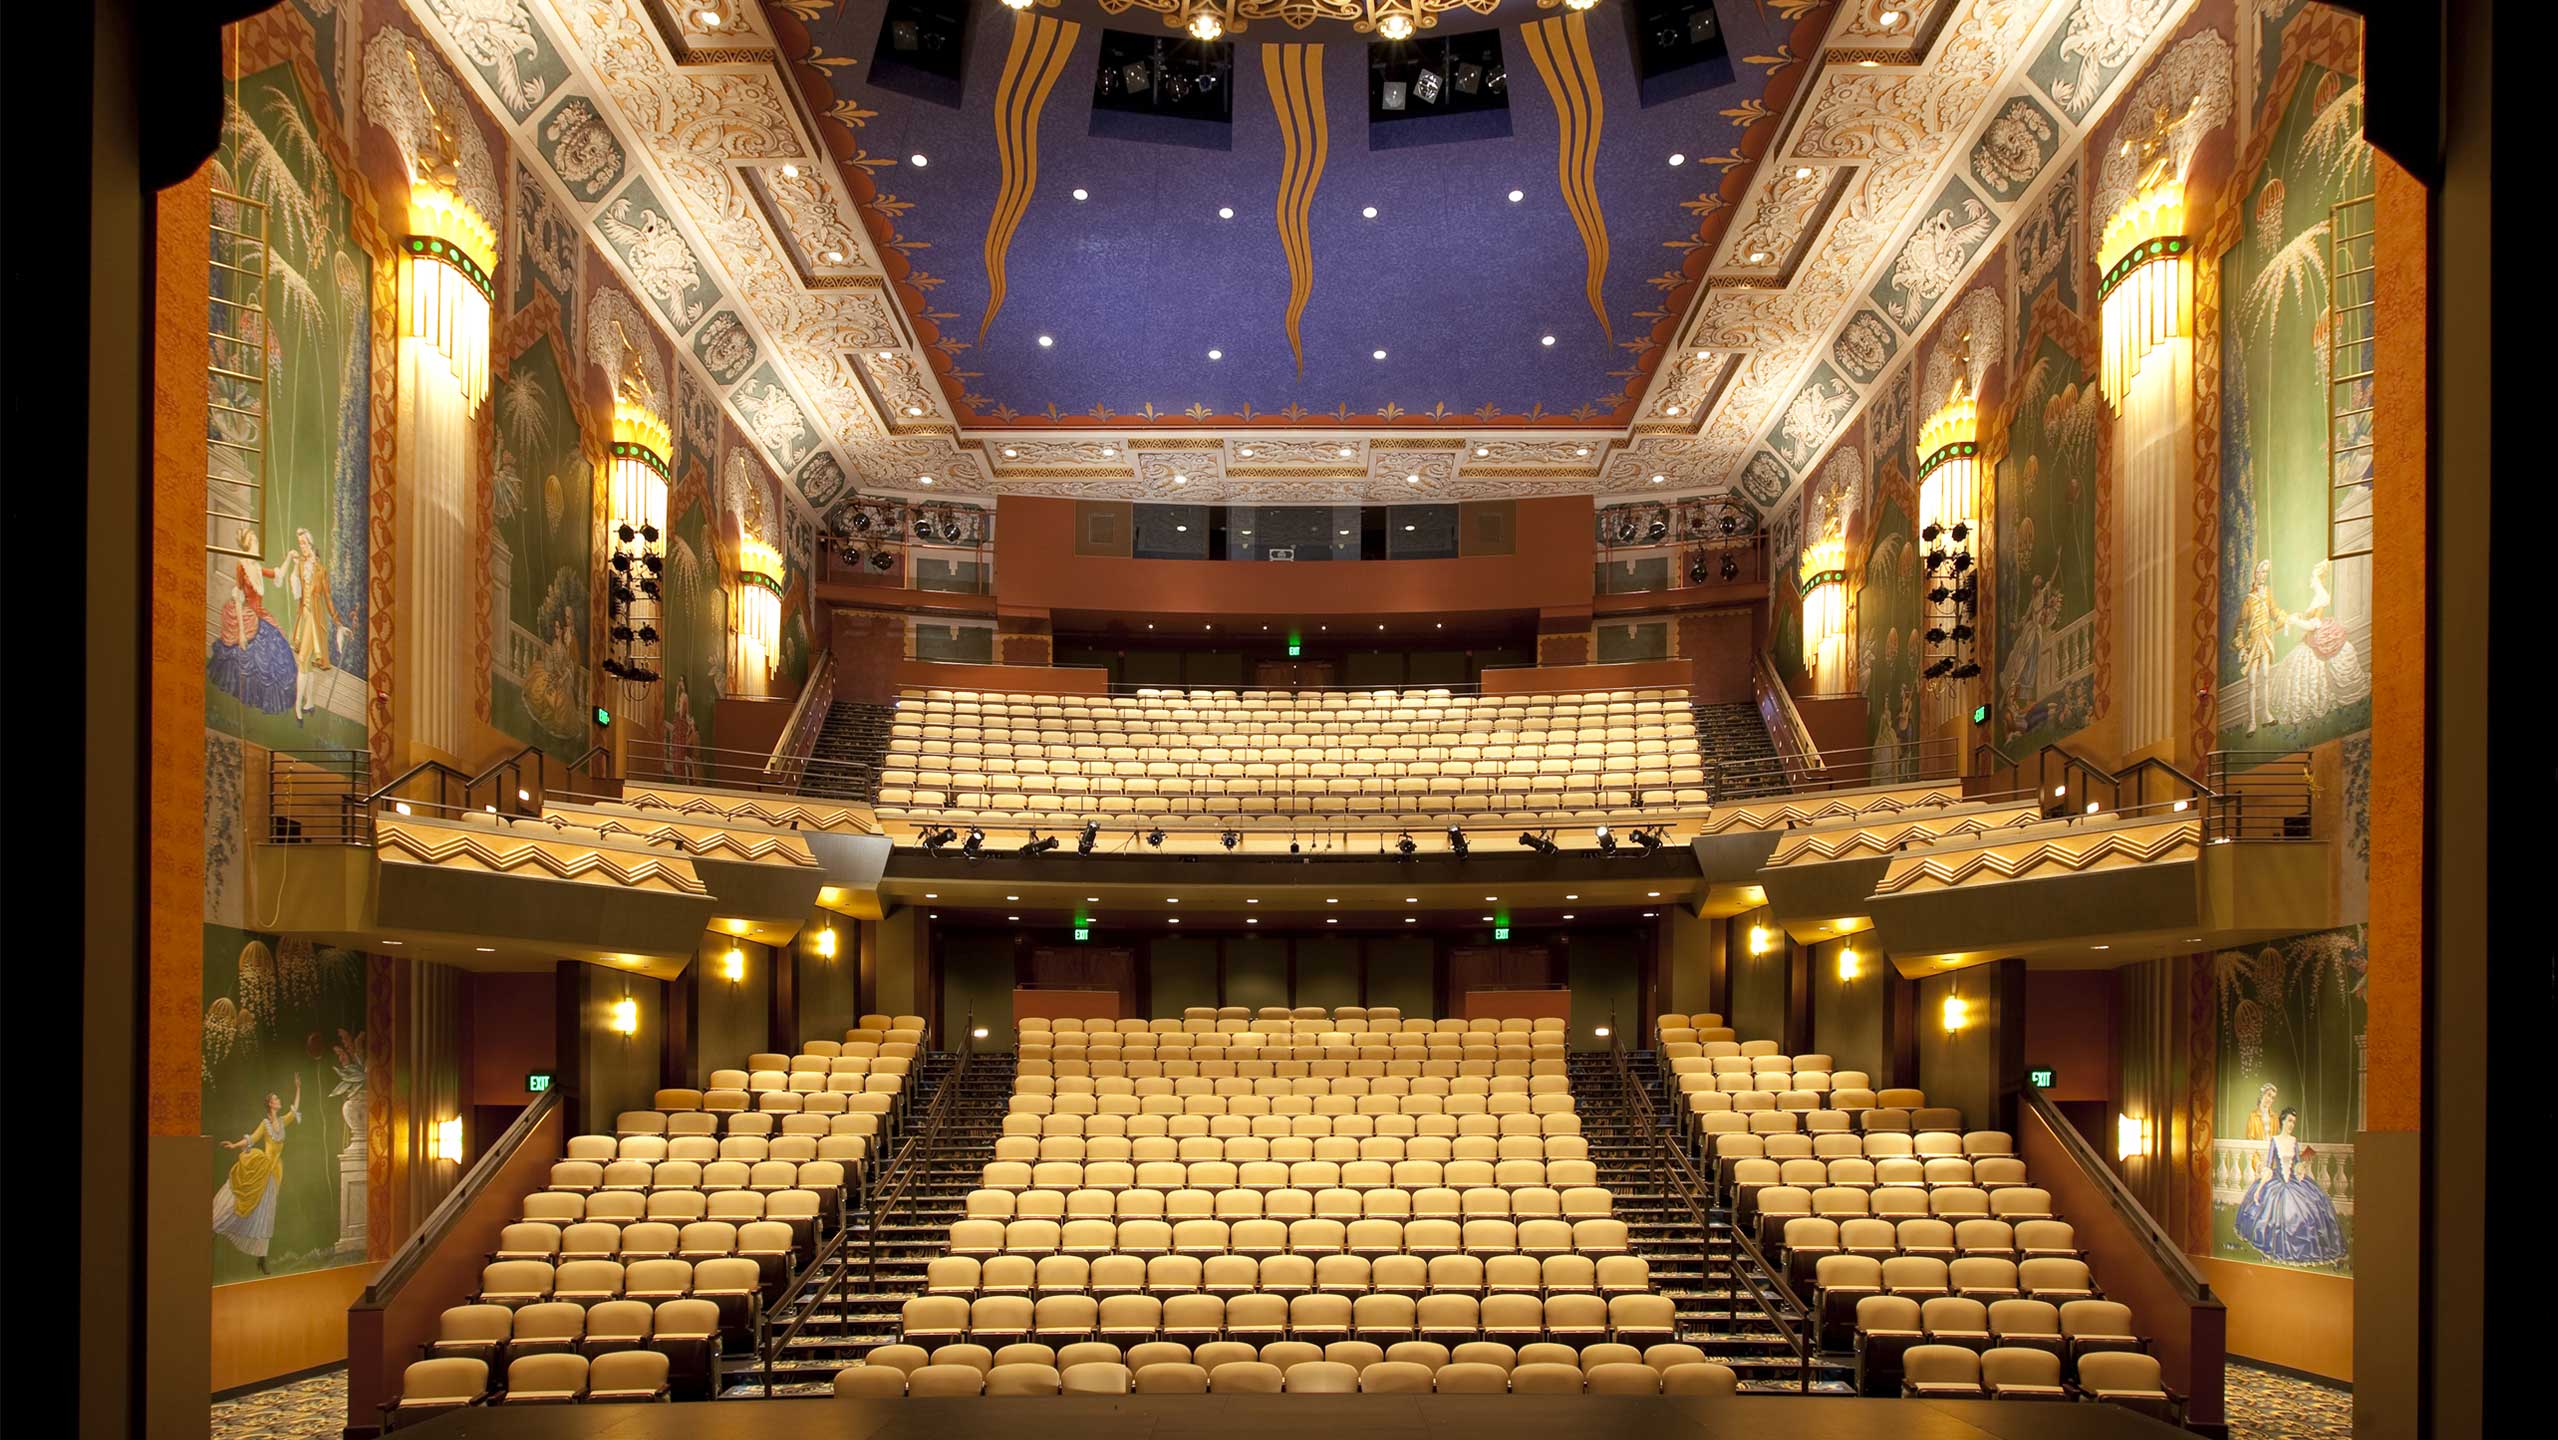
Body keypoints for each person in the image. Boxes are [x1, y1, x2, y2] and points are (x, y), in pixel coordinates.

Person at [2232, 1106, 2347, 1267]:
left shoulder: (2294, 1141)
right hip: (2277, 1181)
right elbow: (2268, 1165)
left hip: (2294, 1181)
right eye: (2290, 1121)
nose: (2292, 1124)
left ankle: (2308, 1247)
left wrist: (2300, 1168)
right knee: (2274, 1213)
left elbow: (2298, 1162)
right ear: (2283, 1121)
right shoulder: (2275, 1140)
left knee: (2310, 1208)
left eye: (2294, 1121)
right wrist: (2258, 1190)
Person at [213, 1075, 303, 1273]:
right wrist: (235, 1144)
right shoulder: (265, 1124)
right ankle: (218, 1221)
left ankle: (262, 1258)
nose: (279, 1101)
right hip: (262, 1166)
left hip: (275, 1170)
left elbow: (294, 1109)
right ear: (270, 1104)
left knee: (267, 1211)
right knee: (248, 1201)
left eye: (279, 1099)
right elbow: (252, 1139)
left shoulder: (283, 1120)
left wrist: (298, 1087)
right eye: (276, 1099)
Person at [2267, 558, 2372, 727]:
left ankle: (2315, 701)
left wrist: (2294, 621)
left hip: (2320, 636)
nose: (2310, 581)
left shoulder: (2321, 595)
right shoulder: (2317, 595)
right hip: (2312, 636)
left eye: (2312, 578)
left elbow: (2314, 624)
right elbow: (2310, 619)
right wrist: (2298, 617)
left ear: (2318, 579)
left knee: (2310, 665)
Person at [208, 556, 298, 715]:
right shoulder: (242, 566)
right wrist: (241, 631)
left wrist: (290, 556)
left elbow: (279, 575)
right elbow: (238, 598)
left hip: (259, 614)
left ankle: (266, 698)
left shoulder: (257, 568)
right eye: (253, 542)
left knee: (278, 649)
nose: (255, 545)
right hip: (248, 615)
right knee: (252, 656)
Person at [2233, 558, 2285, 734]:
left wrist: (2283, 619)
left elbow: (2274, 612)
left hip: (2266, 640)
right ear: (2255, 574)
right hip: (2253, 643)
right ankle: (2252, 721)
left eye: (2265, 573)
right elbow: (2239, 626)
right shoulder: (2249, 600)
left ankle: (2266, 714)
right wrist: (2241, 647)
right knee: (2252, 681)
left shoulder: (2268, 594)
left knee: (2265, 676)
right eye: (2260, 572)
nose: (2263, 575)